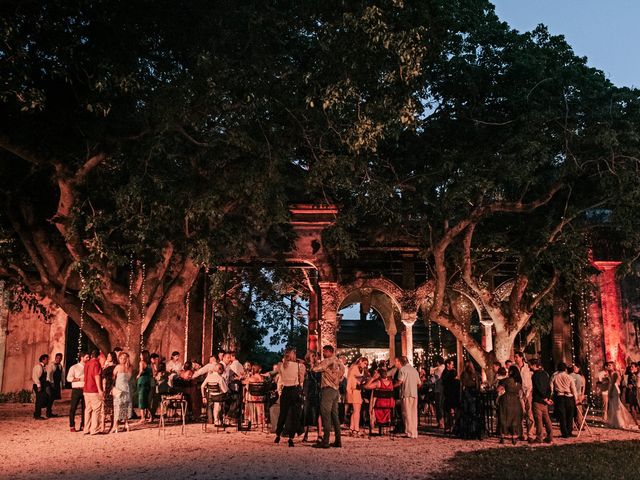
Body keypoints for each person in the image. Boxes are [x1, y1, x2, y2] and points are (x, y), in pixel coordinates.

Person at [312, 345, 345, 449]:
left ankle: (325, 441)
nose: (323, 354)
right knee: (335, 416)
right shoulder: (340, 362)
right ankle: (338, 441)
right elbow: (342, 376)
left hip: (327, 389)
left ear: (329, 351)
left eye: (324, 352)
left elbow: (315, 369)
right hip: (336, 390)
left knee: (326, 415)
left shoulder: (327, 361)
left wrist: (314, 361)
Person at [274, 348, 305, 447]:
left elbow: (279, 375)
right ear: (293, 355)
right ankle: (291, 438)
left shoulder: (280, 366)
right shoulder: (299, 366)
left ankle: (278, 435)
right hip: (295, 390)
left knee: (283, 414)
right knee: (295, 415)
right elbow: (301, 379)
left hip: (285, 390)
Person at [606, 361, 639, 430]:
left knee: (616, 405)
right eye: (608, 365)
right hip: (612, 388)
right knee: (613, 406)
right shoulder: (610, 373)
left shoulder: (615, 373)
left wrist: (610, 392)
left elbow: (614, 383)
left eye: (610, 365)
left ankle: (620, 422)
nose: (608, 366)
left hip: (614, 389)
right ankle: (614, 421)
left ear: (613, 366)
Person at [394, 356, 421, 439]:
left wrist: (392, 386)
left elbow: (400, 382)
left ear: (400, 362)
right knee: (413, 413)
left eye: (396, 362)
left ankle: (409, 432)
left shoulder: (402, 370)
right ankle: (414, 432)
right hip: (414, 394)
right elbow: (419, 384)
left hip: (406, 393)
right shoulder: (414, 370)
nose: (395, 364)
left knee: (406, 413)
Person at [551, 362, 578, 438]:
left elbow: (551, 387)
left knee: (562, 416)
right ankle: (569, 431)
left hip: (560, 397)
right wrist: (575, 398)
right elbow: (573, 388)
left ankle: (564, 433)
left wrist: (551, 397)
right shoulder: (569, 377)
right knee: (570, 415)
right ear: (565, 369)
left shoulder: (554, 376)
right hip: (569, 396)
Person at [497, 365, 523, 444]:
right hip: (516, 400)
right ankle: (514, 436)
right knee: (514, 419)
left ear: (511, 372)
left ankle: (502, 436)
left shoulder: (507, 380)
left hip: (506, 400)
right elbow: (520, 392)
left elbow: (499, 389)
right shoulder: (519, 382)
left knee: (503, 417)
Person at [529, 358, 553, 444]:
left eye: (530, 365)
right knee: (547, 419)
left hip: (538, 399)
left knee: (538, 420)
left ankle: (539, 438)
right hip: (545, 401)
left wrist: (544, 397)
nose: (529, 366)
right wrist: (548, 398)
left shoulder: (535, 375)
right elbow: (549, 387)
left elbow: (538, 388)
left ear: (534, 365)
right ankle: (550, 437)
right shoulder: (545, 374)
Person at [457, 359, 482, 439]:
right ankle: (473, 431)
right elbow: (477, 385)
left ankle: (467, 432)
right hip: (473, 396)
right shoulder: (475, 374)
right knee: (472, 414)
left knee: (466, 414)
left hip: (468, 396)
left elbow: (463, 385)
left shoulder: (464, 375)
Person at [83, 349, 105, 435]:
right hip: (93, 389)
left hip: (86, 389)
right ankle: (94, 429)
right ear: (99, 356)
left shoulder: (87, 363)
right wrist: (100, 389)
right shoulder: (96, 363)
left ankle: (86, 428)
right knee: (96, 409)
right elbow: (97, 376)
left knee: (88, 409)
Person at [346, 356, 369, 437]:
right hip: (354, 390)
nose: (365, 365)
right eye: (364, 363)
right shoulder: (355, 368)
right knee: (357, 411)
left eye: (366, 364)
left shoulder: (357, 369)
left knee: (355, 411)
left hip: (356, 391)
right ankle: (356, 429)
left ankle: (352, 429)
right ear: (360, 361)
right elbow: (352, 380)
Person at [302, 351, 322, 442]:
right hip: (307, 391)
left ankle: (320, 434)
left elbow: (320, 379)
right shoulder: (305, 367)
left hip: (317, 392)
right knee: (306, 413)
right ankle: (305, 434)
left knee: (318, 413)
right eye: (312, 356)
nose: (314, 357)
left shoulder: (319, 367)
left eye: (315, 356)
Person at [67, 352, 89, 431]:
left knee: (85, 408)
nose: (88, 359)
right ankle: (72, 426)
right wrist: (79, 379)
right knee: (73, 408)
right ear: (82, 358)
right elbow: (69, 378)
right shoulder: (74, 367)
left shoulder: (88, 366)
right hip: (76, 389)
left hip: (86, 389)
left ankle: (83, 425)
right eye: (87, 357)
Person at [514, 351, 533, 440]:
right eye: (514, 357)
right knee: (520, 414)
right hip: (519, 392)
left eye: (517, 357)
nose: (515, 358)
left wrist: (528, 392)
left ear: (521, 357)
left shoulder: (528, 367)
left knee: (529, 414)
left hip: (528, 392)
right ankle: (521, 434)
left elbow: (530, 381)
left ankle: (530, 433)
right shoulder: (514, 368)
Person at [112, 352, 133, 433]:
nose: (121, 360)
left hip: (119, 389)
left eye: (122, 358)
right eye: (120, 358)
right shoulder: (130, 367)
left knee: (118, 406)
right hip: (127, 389)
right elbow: (129, 378)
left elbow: (113, 377)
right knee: (126, 406)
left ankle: (116, 425)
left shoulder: (118, 367)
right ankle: (126, 424)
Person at [441, 358, 460, 433]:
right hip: (449, 394)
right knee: (448, 411)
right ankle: (448, 427)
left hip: (452, 394)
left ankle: (452, 426)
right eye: (451, 364)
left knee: (451, 411)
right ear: (447, 365)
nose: (453, 366)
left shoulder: (449, 373)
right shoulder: (447, 373)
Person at [101, 351, 117, 432]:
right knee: (105, 407)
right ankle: (102, 426)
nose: (108, 357)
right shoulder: (106, 366)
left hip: (111, 386)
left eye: (109, 356)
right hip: (106, 386)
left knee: (111, 408)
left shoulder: (114, 367)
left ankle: (112, 425)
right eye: (107, 356)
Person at [32, 354, 50, 420]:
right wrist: (39, 386)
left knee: (43, 398)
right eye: (47, 359)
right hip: (38, 385)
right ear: (43, 359)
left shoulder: (44, 367)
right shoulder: (38, 367)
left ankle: (37, 414)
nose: (48, 360)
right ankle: (37, 415)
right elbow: (35, 377)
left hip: (42, 385)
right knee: (39, 401)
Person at [136, 350, 152, 423]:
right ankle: (151, 416)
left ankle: (143, 417)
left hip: (142, 380)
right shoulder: (149, 364)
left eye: (141, 355)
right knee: (147, 399)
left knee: (141, 399)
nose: (140, 356)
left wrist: (138, 375)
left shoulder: (141, 362)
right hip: (148, 381)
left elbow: (141, 370)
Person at [46, 352, 64, 417]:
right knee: (50, 398)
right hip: (51, 383)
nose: (58, 359)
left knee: (53, 398)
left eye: (60, 358)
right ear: (55, 358)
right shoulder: (52, 365)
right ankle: (48, 412)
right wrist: (51, 382)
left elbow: (62, 375)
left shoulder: (60, 366)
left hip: (57, 383)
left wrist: (63, 383)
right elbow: (49, 374)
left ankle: (49, 411)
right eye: (57, 358)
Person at [430, 357, 445, 428]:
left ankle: (441, 422)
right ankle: (444, 422)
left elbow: (435, 379)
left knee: (438, 406)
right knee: (442, 406)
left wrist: (429, 381)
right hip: (444, 389)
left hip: (438, 389)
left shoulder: (438, 369)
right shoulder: (444, 368)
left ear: (437, 362)